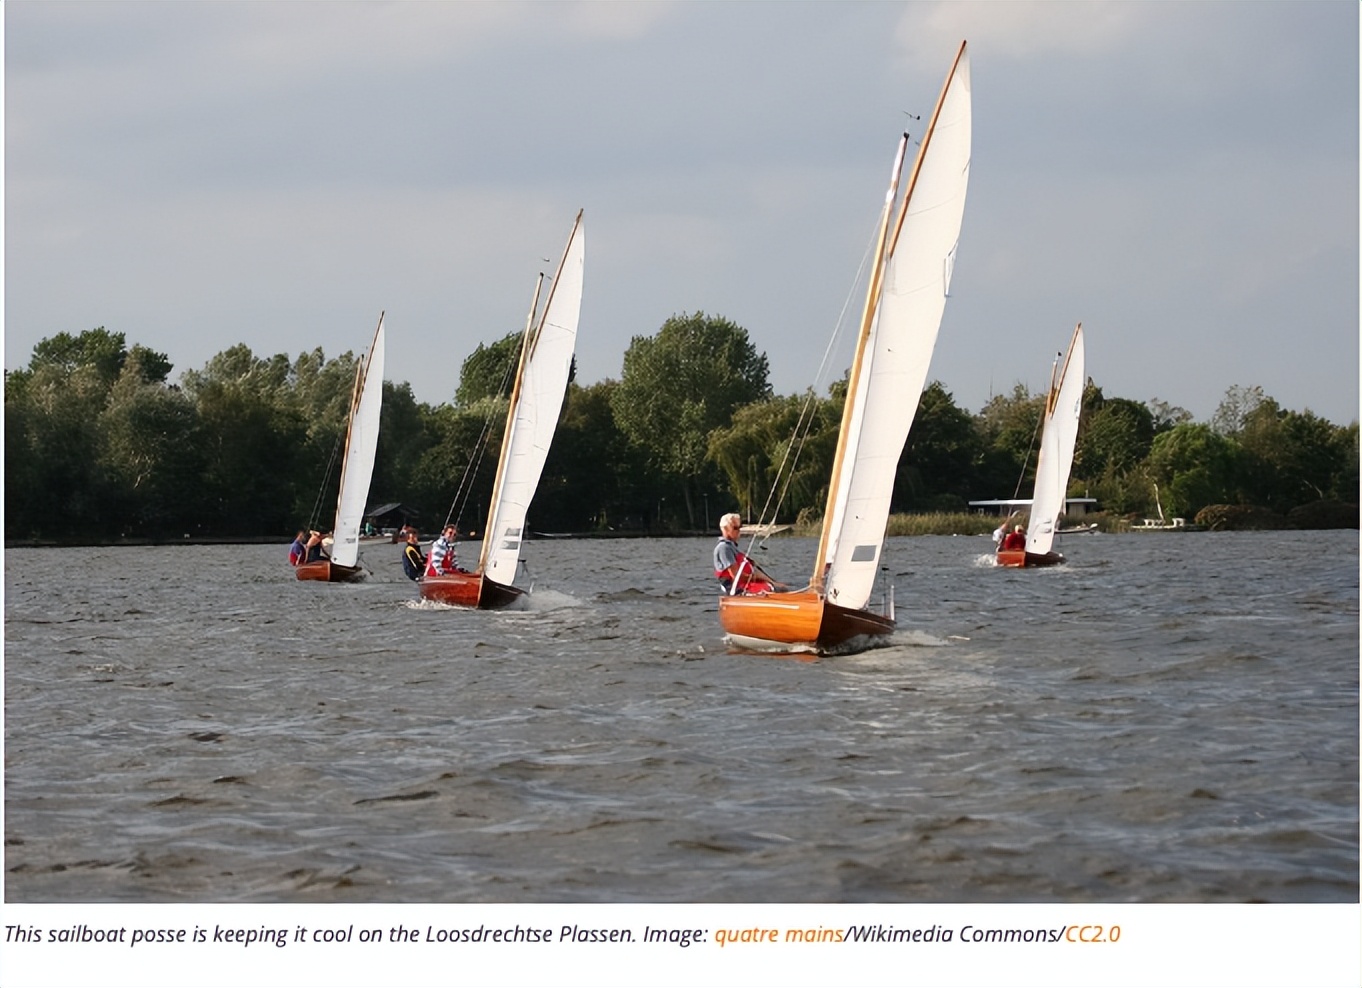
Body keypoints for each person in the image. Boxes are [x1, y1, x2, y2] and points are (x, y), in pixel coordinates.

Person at [713, 512, 785, 595]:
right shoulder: (724, 548)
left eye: (740, 527)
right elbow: (736, 576)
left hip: (749, 585)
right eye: (735, 528)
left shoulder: (732, 548)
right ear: (725, 529)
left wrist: (771, 581)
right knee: (773, 589)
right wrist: (760, 578)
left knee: (780, 588)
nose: (739, 531)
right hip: (739, 589)